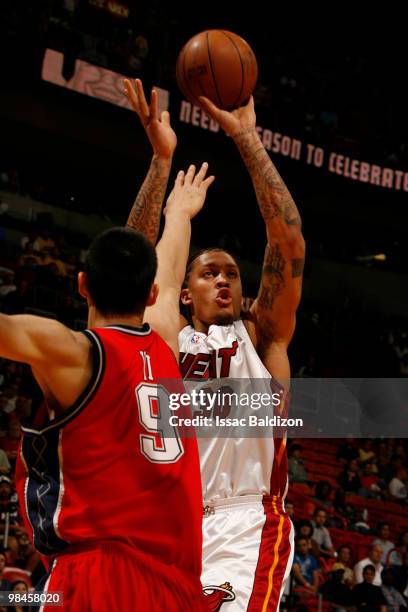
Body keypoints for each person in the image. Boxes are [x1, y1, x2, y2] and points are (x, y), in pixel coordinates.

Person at [124, 78, 306, 611]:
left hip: (244, 522)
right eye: (209, 273)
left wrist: (248, 141)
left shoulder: (262, 337)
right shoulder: (165, 341)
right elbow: (128, 269)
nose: (224, 279)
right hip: (168, 523)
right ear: (183, 293)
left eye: (231, 272)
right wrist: (160, 165)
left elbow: (288, 243)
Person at [1, 168, 213, 611]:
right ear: (151, 295)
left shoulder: (75, 353)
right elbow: (172, 274)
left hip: (97, 577)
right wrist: (180, 212)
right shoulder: (167, 344)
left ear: (82, 285)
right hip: (177, 591)